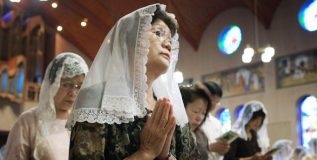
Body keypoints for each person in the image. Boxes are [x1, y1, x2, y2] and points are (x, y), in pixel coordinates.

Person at [67, 4, 194, 160]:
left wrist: (165, 157)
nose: (168, 44)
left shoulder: (170, 109)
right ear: (131, 41)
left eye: (170, 40)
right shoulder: (96, 97)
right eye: (158, 33)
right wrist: (146, 153)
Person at [4, 52, 89, 160]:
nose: (73, 92)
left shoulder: (81, 123)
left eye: (79, 86)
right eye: (66, 84)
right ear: (52, 83)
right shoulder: (28, 122)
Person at [195, 81, 230, 160]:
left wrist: (223, 149)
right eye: (212, 99)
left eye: (217, 100)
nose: (213, 103)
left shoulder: (216, 123)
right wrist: (209, 147)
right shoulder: (194, 120)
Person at [180, 86, 211, 159]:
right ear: (181, 108)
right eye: (195, 111)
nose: (199, 118)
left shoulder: (201, 135)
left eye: (203, 113)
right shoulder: (174, 136)